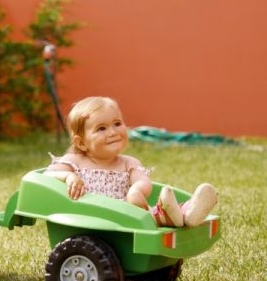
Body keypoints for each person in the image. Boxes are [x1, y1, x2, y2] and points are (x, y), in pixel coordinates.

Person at [46, 96, 218, 227]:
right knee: (152, 216)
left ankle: (187, 212)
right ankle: (174, 215)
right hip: (92, 219)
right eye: (101, 128)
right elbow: (48, 175)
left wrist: (136, 190)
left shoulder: (128, 162)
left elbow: (143, 182)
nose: (113, 132)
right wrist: (69, 177)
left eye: (117, 123)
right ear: (81, 143)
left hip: (128, 214)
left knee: (146, 214)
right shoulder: (74, 161)